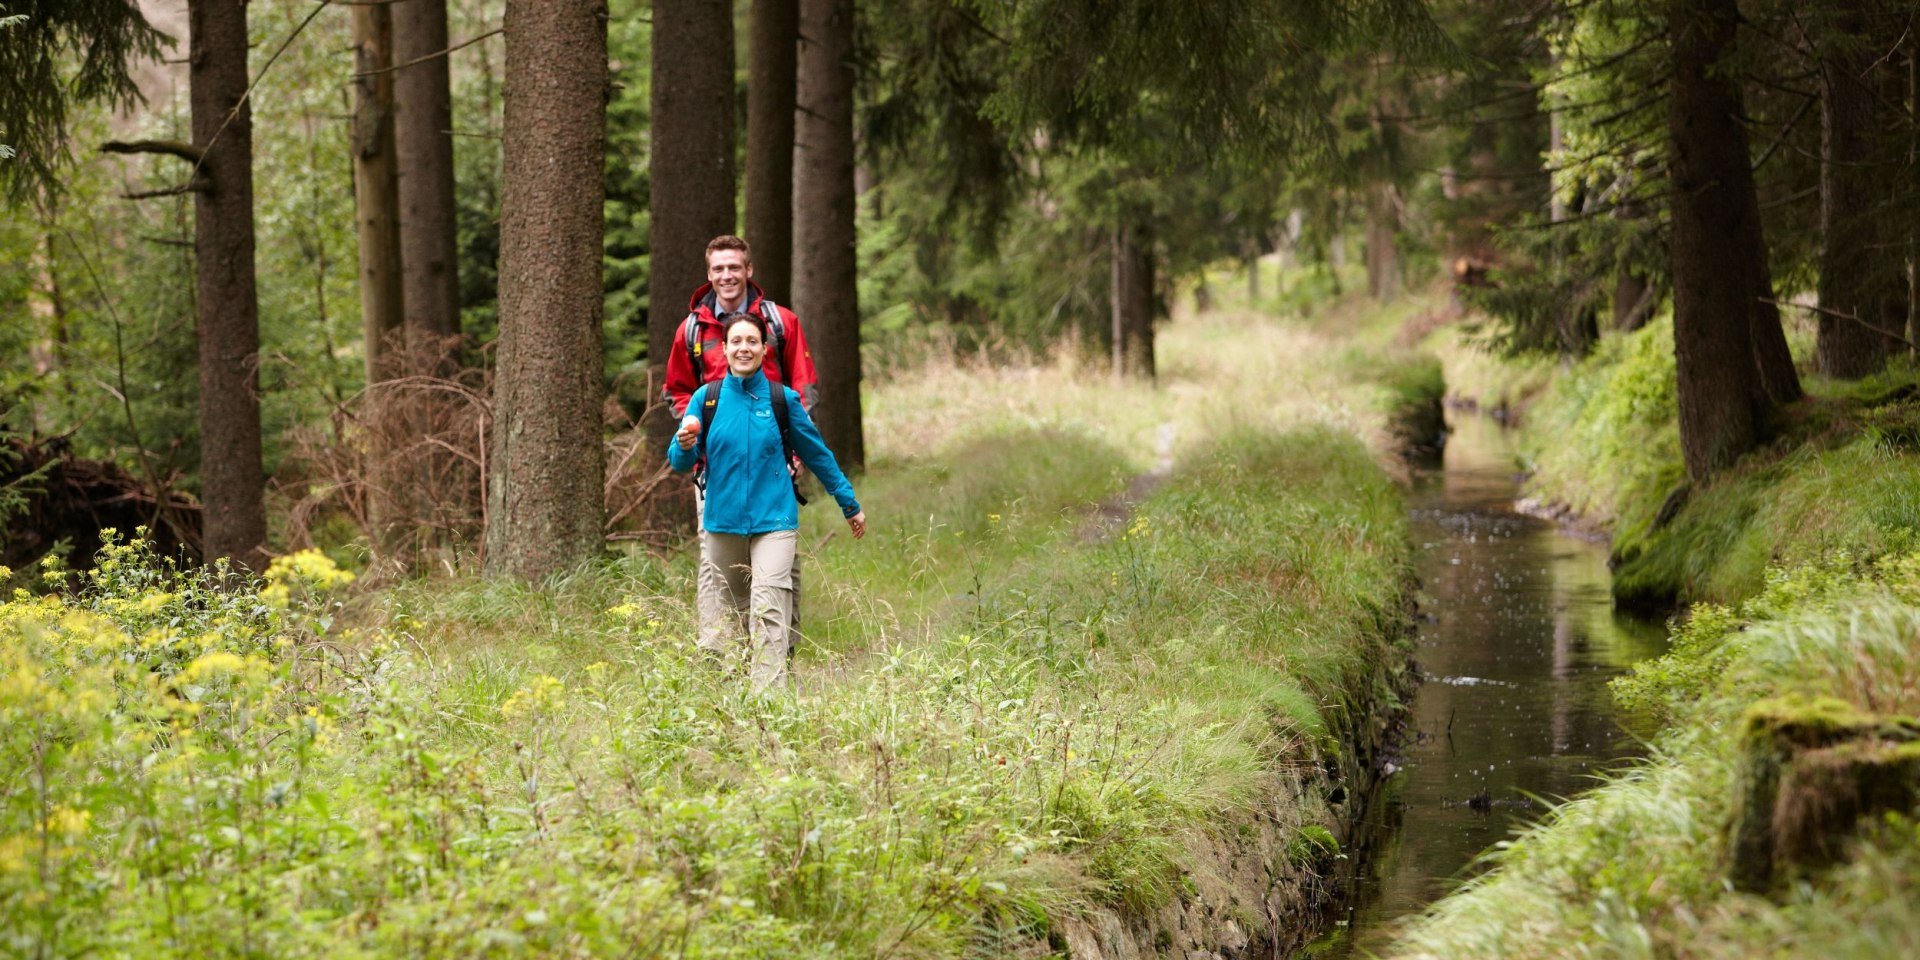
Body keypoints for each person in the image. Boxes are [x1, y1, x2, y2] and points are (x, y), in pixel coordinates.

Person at [667, 312, 866, 692]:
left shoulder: (782, 400)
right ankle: (741, 696)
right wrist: (683, 442)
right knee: (737, 615)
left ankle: (770, 703)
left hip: (775, 521)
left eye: (752, 341)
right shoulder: (705, 400)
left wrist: (849, 504)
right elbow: (679, 462)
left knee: (770, 608)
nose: (744, 348)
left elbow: (819, 455)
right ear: (723, 349)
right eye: (736, 341)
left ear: (764, 348)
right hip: (722, 523)